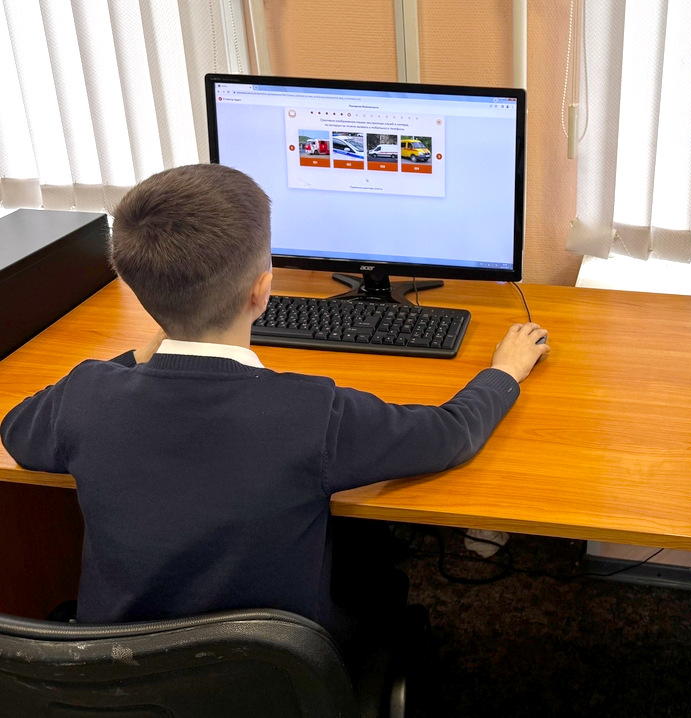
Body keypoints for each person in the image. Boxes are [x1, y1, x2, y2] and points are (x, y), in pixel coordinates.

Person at [0, 163, 550, 643]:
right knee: (374, 571)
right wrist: (504, 373)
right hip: (278, 677)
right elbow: (451, 435)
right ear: (263, 291)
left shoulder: (86, 394)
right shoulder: (311, 413)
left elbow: (18, 430)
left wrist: (139, 354)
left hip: (118, 671)